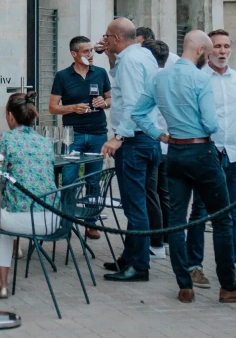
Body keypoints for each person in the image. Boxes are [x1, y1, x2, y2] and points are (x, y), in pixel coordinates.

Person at [133, 30, 236, 304]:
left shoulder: (160, 77)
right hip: (202, 150)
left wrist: (159, 134)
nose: (210, 58)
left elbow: (138, 113)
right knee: (221, 218)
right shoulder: (200, 78)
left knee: (176, 220)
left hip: (175, 151)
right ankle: (228, 287)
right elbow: (209, 123)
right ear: (199, 51)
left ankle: (185, 286)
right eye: (208, 53)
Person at [185, 30, 236, 289]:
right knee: (201, 211)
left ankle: (232, 264)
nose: (223, 51)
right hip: (208, 155)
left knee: (231, 212)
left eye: (226, 46)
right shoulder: (199, 78)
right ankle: (194, 266)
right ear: (206, 49)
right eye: (217, 46)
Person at [100, 18, 161, 282]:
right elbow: (121, 86)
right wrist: (110, 58)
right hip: (149, 139)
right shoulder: (143, 55)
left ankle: (139, 266)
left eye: (106, 37)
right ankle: (129, 256)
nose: (103, 40)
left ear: (116, 39)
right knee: (139, 203)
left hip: (135, 141)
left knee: (134, 205)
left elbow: (133, 105)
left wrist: (118, 137)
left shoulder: (131, 61)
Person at [0, 92, 56, 298]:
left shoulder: (4, 139)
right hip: (51, 220)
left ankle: (1, 284)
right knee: (6, 216)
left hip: (20, 218)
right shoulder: (45, 142)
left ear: (10, 116)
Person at [49, 35, 111, 240]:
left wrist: (105, 102)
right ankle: (65, 222)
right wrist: (72, 108)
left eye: (91, 51)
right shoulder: (63, 76)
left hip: (97, 133)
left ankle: (91, 223)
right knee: (69, 179)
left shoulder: (100, 73)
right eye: (85, 52)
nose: (90, 55)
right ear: (74, 54)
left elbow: (110, 98)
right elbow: (53, 107)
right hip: (72, 135)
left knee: (94, 179)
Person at [141, 39, 171, 257]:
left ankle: (157, 242)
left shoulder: (150, 79)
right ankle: (167, 238)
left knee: (150, 194)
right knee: (164, 194)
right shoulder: (171, 77)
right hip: (169, 146)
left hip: (154, 142)